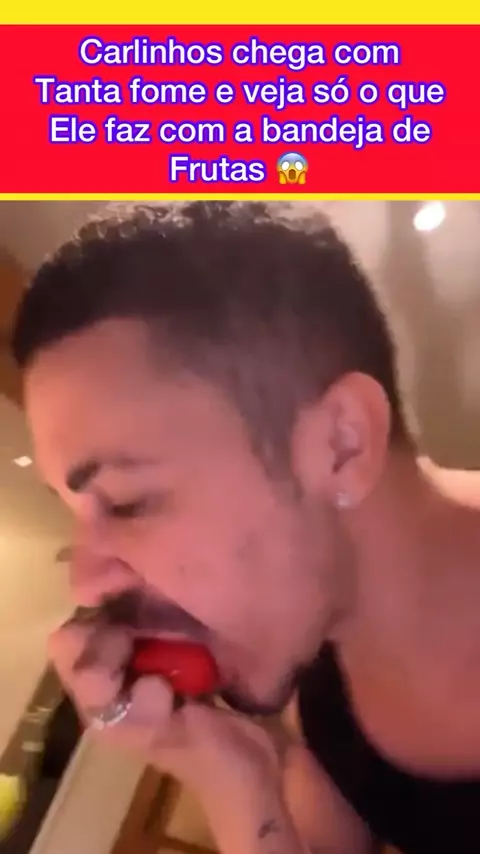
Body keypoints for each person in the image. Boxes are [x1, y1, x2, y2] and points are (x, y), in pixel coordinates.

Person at [10, 201, 480, 854]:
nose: (86, 584)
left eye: (125, 501)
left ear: (342, 444)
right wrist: (226, 776)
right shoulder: (323, 713)